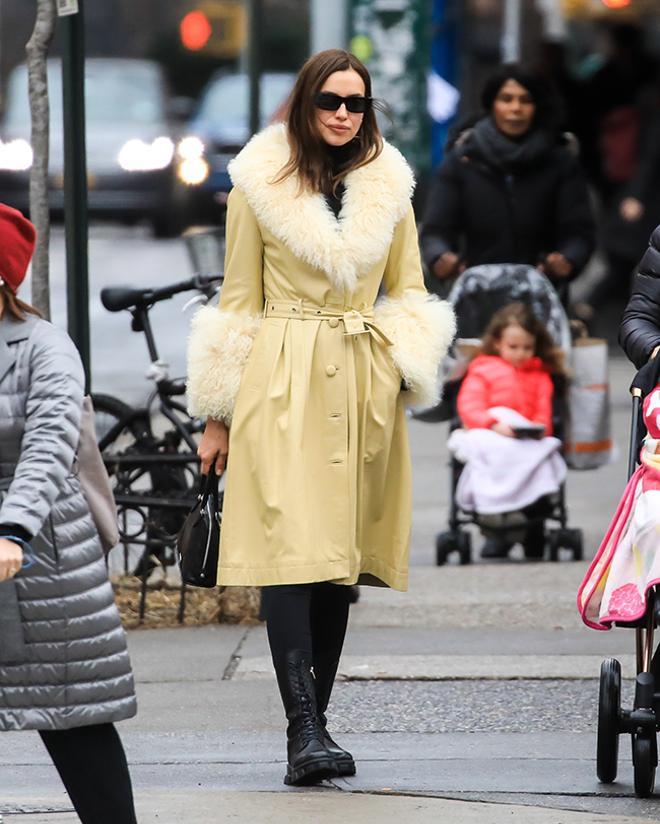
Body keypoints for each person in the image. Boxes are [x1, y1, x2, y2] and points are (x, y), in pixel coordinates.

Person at [186, 49, 456, 785]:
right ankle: (303, 727)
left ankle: (317, 727)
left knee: (338, 566)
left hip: (362, 387)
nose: (343, 114)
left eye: (357, 103)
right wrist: (216, 414)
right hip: (282, 380)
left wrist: (401, 370)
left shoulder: (390, 188)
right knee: (290, 555)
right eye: (331, 101)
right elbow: (237, 302)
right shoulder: (257, 187)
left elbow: (409, 293)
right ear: (306, 105)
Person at [0, 205, 138, 823]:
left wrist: (12, 528)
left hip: (42, 556)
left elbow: (50, 443)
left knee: (71, 713)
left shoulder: (44, 348)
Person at [421, 63, 595, 301]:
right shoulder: (462, 161)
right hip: (476, 298)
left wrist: (567, 259)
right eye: (507, 99)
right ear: (492, 104)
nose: (516, 108)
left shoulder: (561, 162)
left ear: (537, 107)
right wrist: (440, 257)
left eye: (525, 100)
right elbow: (435, 229)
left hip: (543, 299)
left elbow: (579, 231)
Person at [448, 303, 566, 559]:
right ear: (498, 343)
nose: (520, 353)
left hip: (524, 436)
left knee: (541, 455)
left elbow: (542, 416)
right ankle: (498, 523)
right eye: (513, 347)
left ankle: (528, 521)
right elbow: (470, 407)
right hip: (493, 430)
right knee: (488, 451)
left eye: (527, 347)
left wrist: (534, 429)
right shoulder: (483, 369)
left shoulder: (540, 376)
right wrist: (494, 423)